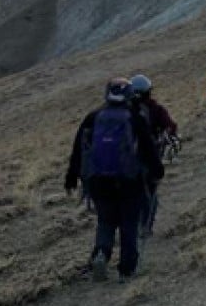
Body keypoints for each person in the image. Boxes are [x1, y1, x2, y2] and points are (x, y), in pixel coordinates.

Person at [65, 78, 164, 283]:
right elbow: (148, 148)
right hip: (129, 180)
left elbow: (79, 149)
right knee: (129, 222)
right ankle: (126, 270)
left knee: (106, 220)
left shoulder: (93, 117)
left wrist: (72, 176)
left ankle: (102, 254)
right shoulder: (135, 117)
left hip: (98, 181)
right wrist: (157, 171)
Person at [129, 74, 177, 241]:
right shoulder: (156, 109)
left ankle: (132, 225)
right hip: (151, 159)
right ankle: (146, 226)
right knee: (150, 192)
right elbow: (171, 127)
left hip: (125, 162)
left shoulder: (122, 111)